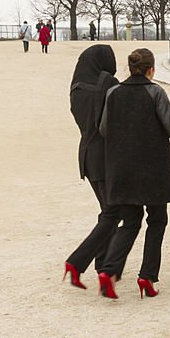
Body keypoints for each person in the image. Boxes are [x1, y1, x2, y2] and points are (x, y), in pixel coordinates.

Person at [95, 48, 170, 299]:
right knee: (157, 220)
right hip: (153, 167)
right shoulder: (155, 92)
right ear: (152, 70)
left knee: (130, 222)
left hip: (122, 167)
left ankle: (108, 271)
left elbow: (104, 128)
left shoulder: (113, 93)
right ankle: (147, 277)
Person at [64, 46, 122, 289]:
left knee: (107, 211)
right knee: (113, 212)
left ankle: (102, 263)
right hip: (106, 155)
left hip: (86, 155)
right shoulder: (108, 83)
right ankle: (79, 262)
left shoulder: (76, 88)